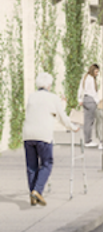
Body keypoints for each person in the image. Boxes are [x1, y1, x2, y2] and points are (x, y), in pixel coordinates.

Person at [22, 72, 77, 206]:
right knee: (47, 163)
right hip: (43, 135)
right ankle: (37, 190)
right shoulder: (53, 98)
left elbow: (41, 112)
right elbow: (61, 117)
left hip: (28, 135)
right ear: (48, 85)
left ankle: (33, 193)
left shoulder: (31, 97)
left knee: (31, 166)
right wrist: (73, 127)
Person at [80, 64, 102, 149]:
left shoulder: (85, 77)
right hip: (91, 100)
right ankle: (89, 141)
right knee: (92, 121)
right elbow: (93, 92)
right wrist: (98, 102)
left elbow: (80, 88)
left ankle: (87, 140)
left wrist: (80, 99)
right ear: (93, 70)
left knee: (87, 121)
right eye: (96, 71)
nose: (97, 73)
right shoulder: (91, 79)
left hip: (85, 99)